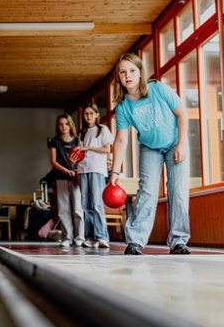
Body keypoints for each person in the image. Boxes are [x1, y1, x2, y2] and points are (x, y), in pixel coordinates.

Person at [108, 53, 191, 255]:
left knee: (178, 191)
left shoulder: (158, 89)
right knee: (147, 191)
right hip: (150, 148)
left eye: (132, 71)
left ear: (140, 72)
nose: (127, 75)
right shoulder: (123, 107)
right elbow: (121, 141)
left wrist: (181, 144)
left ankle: (178, 241)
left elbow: (182, 114)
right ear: (119, 77)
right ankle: (135, 241)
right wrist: (114, 172)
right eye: (123, 72)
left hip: (174, 143)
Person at [76, 103, 114, 249]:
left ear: (97, 114)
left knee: (97, 203)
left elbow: (107, 149)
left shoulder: (102, 129)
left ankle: (102, 236)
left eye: (91, 113)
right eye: (86, 114)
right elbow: (80, 152)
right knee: (85, 204)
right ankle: (90, 237)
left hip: (97, 169)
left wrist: (88, 147)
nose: (88, 116)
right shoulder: (82, 132)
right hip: (82, 170)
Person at [48, 113, 84, 247]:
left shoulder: (78, 141)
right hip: (61, 178)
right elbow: (53, 161)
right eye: (61, 124)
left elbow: (82, 158)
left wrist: (75, 172)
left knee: (78, 209)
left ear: (70, 125)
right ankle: (67, 237)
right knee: (63, 209)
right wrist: (66, 171)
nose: (64, 127)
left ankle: (80, 237)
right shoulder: (55, 141)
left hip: (76, 179)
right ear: (58, 126)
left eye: (66, 124)